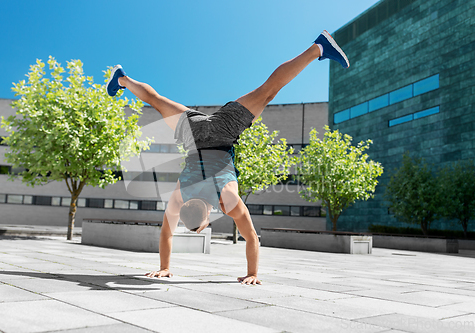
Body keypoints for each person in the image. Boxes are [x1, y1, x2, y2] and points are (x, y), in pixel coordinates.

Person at [106, 30, 349, 285]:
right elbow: (166, 232)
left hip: (222, 133)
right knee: (156, 101)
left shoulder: (227, 201)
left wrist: (253, 274)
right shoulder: (179, 196)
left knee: (268, 92)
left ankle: (318, 48)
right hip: (195, 131)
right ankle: (122, 79)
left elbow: (252, 236)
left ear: (207, 218)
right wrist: (163, 267)